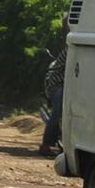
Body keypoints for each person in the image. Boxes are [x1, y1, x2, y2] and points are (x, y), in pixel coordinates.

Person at [40, 18, 70, 156]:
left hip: (72, 86)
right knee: (58, 111)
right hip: (59, 84)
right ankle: (46, 145)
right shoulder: (72, 49)